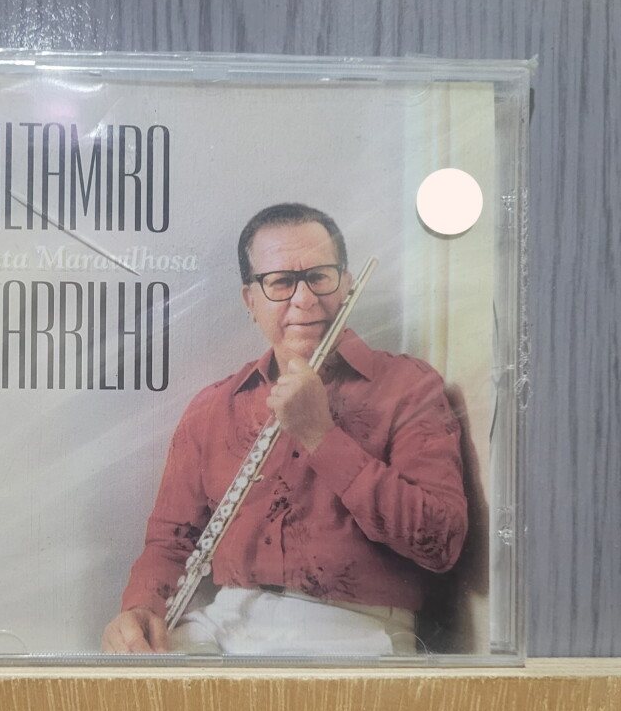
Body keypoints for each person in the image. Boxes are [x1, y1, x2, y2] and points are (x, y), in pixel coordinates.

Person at [101, 204, 468, 656]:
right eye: (280, 282)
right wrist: (141, 608)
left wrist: (320, 436)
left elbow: (441, 543)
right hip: (227, 620)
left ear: (346, 283)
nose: (305, 299)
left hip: (356, 629)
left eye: (319, 277)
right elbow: (169, 543)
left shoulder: (409, 386)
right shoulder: (212, 407)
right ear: (250, 301)